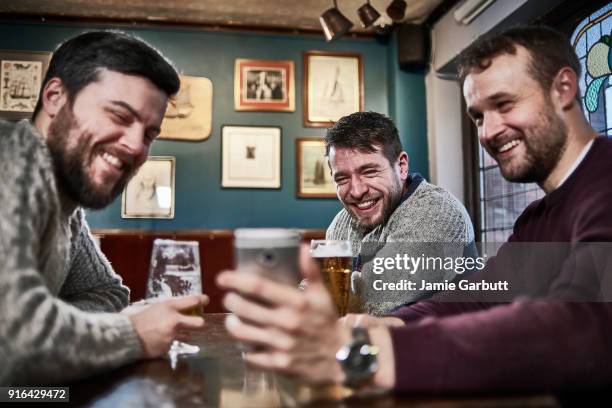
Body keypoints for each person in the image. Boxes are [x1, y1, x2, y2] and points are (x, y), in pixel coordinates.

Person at [217, 25, 612, 392]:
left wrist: (373, 353)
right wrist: (389, 324)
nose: (488, 132)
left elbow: (586, 326)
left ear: (563, 89)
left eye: (505, 104)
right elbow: (484, 294)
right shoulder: (539, 216)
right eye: (478, 116)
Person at [0, 31, 208, 386]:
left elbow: (109, 295)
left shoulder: (66, 205)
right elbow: (17, 339)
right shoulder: (13, 156)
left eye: (150, 134)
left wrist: (62, 324)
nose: (136, 145)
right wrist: (133, 334)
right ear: (54, 97)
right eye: (119, 115)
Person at [323, 111, 475, 315]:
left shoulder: (436, 212)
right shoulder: (341, 222)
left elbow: (373, 305)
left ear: (401, 166)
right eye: (342, 179)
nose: (357, 191)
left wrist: (323, 295)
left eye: (369, 172)